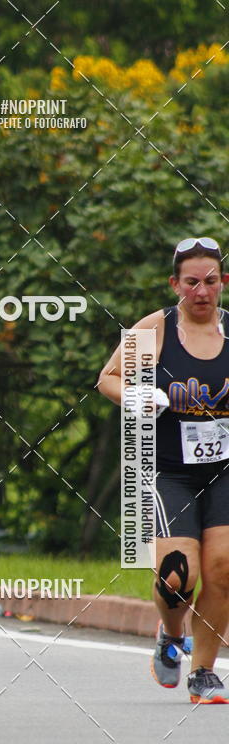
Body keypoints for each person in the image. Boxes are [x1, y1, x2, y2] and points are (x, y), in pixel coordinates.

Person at [99, 236, 229, 703]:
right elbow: (107, 378)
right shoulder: (156, 329)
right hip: (168, 470)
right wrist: (136, 396)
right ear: (175, 284)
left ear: (223, 283)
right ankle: (172, 634)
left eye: (210, 282)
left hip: (224, 471)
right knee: (178, 576)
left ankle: (203, 673)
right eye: (191, 282)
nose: (201, 291)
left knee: (223, 568)